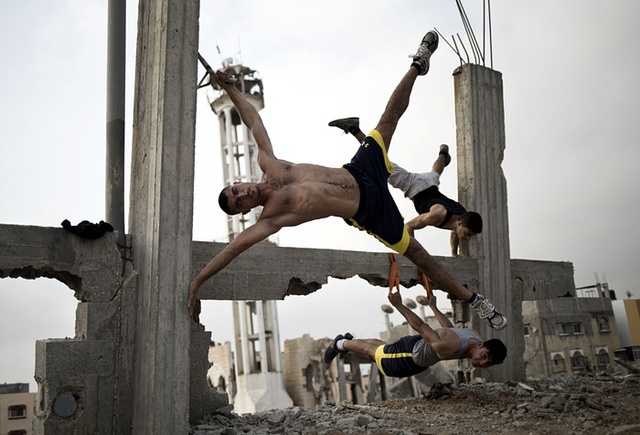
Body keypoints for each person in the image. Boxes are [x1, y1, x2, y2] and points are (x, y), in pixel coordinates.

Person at [188, 30, 507, 330]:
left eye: (236, 188)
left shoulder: (269, 163)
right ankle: (477, 301)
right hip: (368, 210)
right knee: (420, 256)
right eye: (238, 200)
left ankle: (418, 62)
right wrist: (197, 282)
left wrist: (229, 88)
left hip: (360, 170)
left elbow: (253, 120)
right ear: (243, 209)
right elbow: (231, 251)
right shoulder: (270, 219)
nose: (242, 193)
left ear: (239, 181)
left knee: (387, 120)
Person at [328, 117, 482, 257]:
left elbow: (455, 230)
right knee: (379, 160)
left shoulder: (461, 216)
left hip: (430, 184)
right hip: (415, 185)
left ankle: (443, 155)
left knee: (435, 173)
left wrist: (454, 254)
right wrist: (415, 255)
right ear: (460, 223)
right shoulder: (438, 214)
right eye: (467, 234)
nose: (467, 238)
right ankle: (354, 129)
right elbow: (409, 226)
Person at [323, 291, 507, 377]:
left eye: (487, 363)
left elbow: (449, 328)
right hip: (409, 357)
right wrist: (398, 305)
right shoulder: (452, 346)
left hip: (417, 347)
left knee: (381, 348)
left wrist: (434, 307)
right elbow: (420, 325)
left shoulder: (472, 335)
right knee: (375, 354)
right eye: (484, 357)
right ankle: (340, 344)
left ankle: (351, 340)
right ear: (482, 345)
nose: (482, 363)